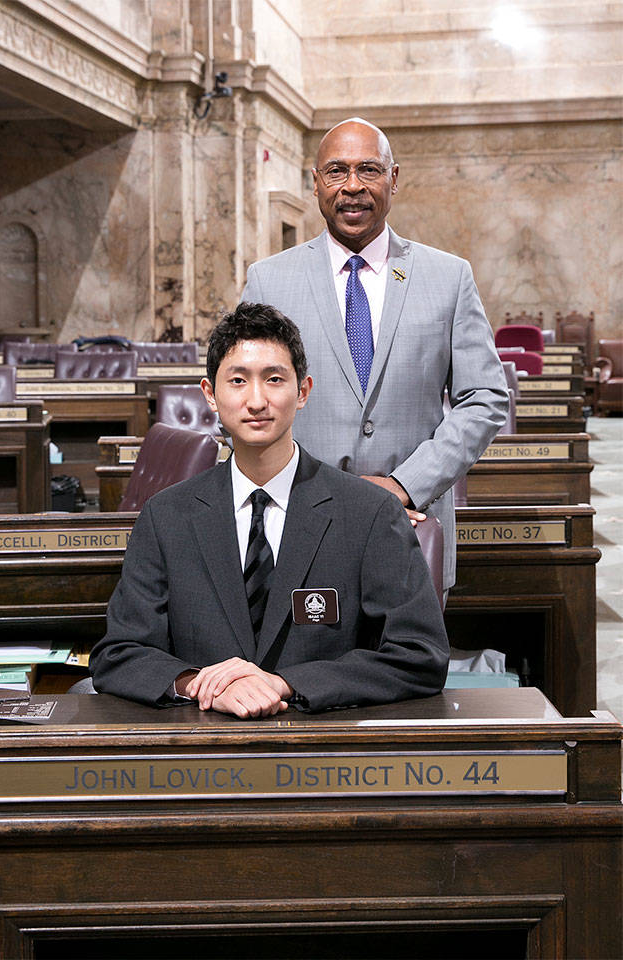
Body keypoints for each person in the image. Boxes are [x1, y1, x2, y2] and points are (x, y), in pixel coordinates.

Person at [90, 303, 449, 717]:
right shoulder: (166, 516)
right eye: (238, 381)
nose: (257, 400)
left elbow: (421, 655)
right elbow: (119, 654)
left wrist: (285, 683)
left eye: (274, 379)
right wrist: (203, 685)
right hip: (202, 739)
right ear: (210, 394)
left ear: (303, 391)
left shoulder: (369, 512)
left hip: (325, 741)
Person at [242, 117, 509, 590]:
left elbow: (484, 397)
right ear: (315, 183)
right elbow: (243, 398)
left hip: (414, 526)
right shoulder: (270, 281)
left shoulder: (448, 277)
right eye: (336, 171)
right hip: (298, 528)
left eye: (369, 169)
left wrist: (406, 484)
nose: (352, 186)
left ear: (394, 178)